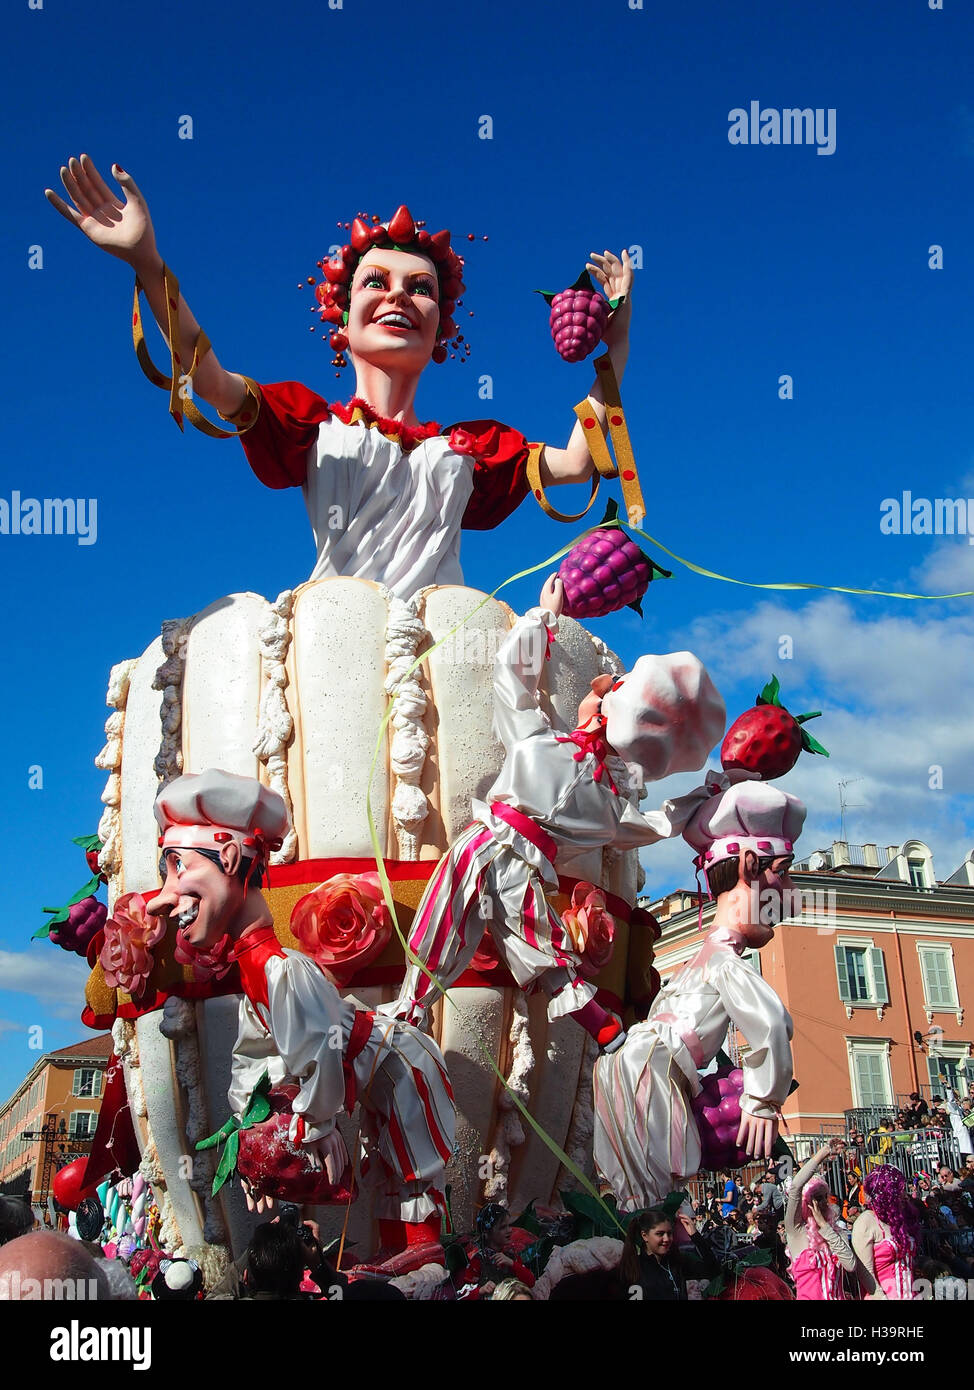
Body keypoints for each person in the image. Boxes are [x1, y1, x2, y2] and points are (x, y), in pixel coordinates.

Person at [45, 159, 637, 601]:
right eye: (376, 282)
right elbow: (210, 381)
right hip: (336, 639)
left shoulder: (468, 449)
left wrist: (614, 349)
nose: (400, 295)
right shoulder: (311, 424)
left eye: (422, 288)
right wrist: (149, 264)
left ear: (439, 333)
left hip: (443, 650)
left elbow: (577, 464)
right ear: (344, 324)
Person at [389, 578, 725, 1049]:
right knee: (533, 938)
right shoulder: (608, 807)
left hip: (485, 843)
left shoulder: (539, 744)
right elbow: (656, 826)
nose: (592, 690)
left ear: (605, 710)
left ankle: (411, 1008)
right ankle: (590, 1014)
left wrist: (542, 620)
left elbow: (512, 680)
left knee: (444, 918)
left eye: (603, 690)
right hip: (527, 864)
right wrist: (705, 794)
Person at [150, 769, 456, 1254]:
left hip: (399, 1067)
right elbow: (255, 1054)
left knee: (410, 1168)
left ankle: (424, 1260)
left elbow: (318, 1054)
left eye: (176, 867)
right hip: (377, 1075)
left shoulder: (280, 969)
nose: (162, 900)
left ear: (228, 858)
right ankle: (410, 1261)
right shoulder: (256, 969)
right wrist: (246, 1128)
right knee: (389, 1167)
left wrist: (315, 1124)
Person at [593, 778, 800, 1210]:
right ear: (748, 866)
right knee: (656, 1197)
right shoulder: (723, 962)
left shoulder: (698, 961)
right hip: (652, 1067)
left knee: (636, 1197)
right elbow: (773, 1022)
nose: (791, 896)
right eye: (782, 873)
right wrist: (763, 1099)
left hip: (624, 1064)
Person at [782, 1139, 858, 1300]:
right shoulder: (795, 1230)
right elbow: (796, 1187)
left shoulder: (835, 1232)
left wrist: (824, 1226)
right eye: (817, 1198)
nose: (823, 1202)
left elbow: (850, 1265)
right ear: (807, 1201)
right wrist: (823, 1153)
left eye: (825, 1197)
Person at [618, 1208, 719, 1301]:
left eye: (669, 1233)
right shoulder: (634, 1268)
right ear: (645, 1236)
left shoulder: (677, 1262)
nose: (666, 1239)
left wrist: (695, 1236)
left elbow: (713, 1271)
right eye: (660, 1234)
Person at [853, 1165, 918, 1300]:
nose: (904, 1195)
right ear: (888, 1193)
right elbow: (865, 1272)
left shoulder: (898, 1220)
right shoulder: (866, 1221)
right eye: (900, 1190)